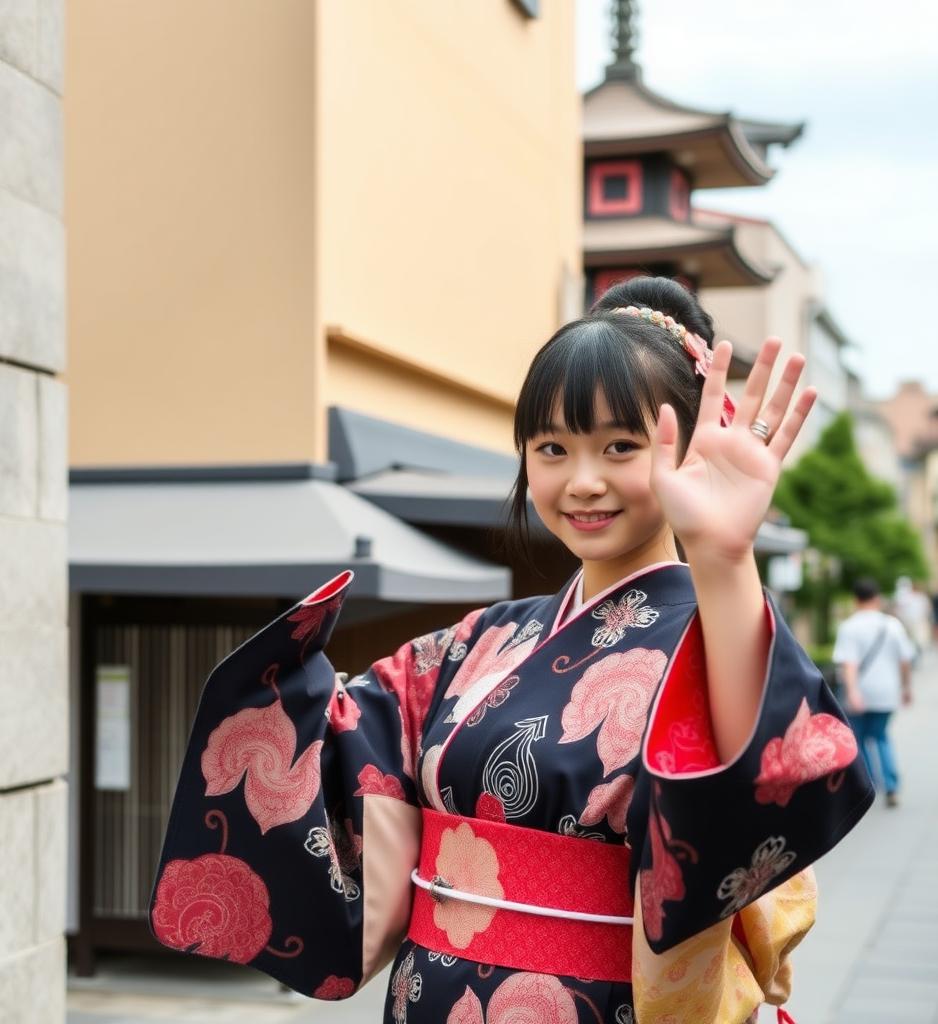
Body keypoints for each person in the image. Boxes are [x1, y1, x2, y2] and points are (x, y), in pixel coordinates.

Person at [148, 277, 874, 1024]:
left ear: (683, 451)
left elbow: (761, 769)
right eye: (552, 448)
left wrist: (724, 562)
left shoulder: (716, 625)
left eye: (620, 446)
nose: (583, 481)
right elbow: (344, 739)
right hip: (430, 994)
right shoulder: (480, 639)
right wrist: (270, 687)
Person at [833, 578, 914, 808]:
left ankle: (867, 785)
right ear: (877, 598)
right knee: (881, 735)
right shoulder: (892, 625)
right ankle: (892, 786)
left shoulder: (849, 627)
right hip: (887, 691)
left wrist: (852, 692)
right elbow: (905, 660)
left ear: (856, 599)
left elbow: (849, 664)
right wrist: (907, 688)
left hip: (861, 691)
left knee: (858, 739)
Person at [891, 576, 932, 666]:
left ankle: (917, 657)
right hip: (907, 622)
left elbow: (925, 610)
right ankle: (912, 658)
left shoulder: (921, 597)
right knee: (910, 641)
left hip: (917, 622)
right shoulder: (904, 596)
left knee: (918, 641)